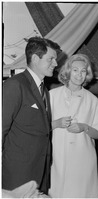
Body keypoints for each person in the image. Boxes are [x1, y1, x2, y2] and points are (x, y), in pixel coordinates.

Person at [2, 37, 62, 194]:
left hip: (39, 171)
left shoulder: (44, 90)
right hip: (17, 174)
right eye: (51, 59)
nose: (56, 64)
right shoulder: (14, 85)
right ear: (35, 58)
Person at [48, 54, 98, 198]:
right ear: (67, 71)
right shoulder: (51, 96)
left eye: (83, 71)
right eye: (75, 70)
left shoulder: (93, 101)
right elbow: (38, 127)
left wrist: (84, 127)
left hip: (83, 160)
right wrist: (57, 123)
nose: (79, 75)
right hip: (56, 158)